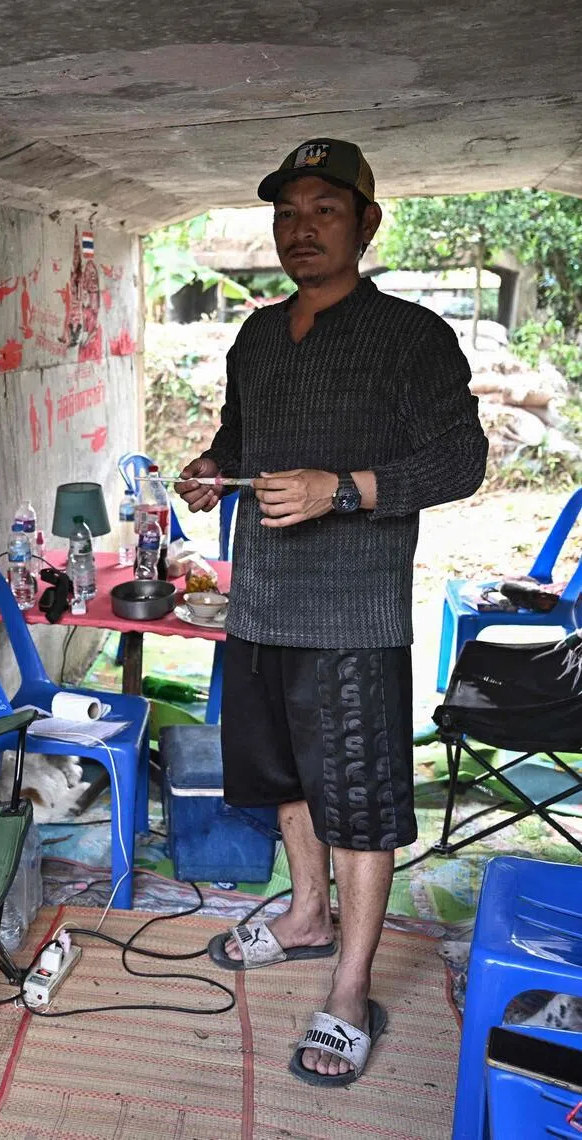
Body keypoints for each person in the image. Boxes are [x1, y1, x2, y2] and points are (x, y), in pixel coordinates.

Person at [176, 138, 487, 1088]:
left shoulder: (412, 336)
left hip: (353, 615)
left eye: (323, 210)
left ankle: (350, 989)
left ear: (366, 223)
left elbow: (460, 462)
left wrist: (341, 491)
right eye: (287, 213)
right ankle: (305, 919)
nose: (300, 229)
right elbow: (243, 435)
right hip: (260, 601)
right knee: (289, 781)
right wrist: (207, 468)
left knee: (361, 805)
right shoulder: (256, 337)